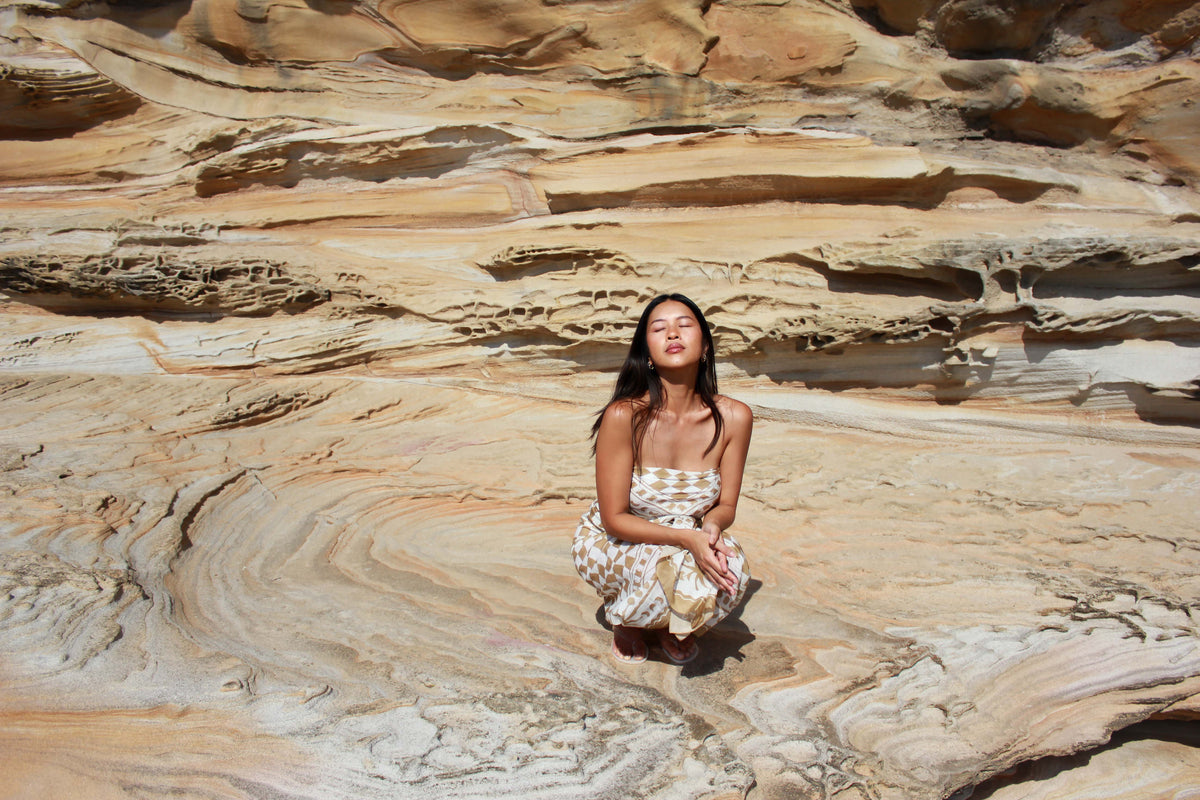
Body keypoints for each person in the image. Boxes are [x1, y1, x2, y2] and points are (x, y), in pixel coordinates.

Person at [573, 293, 752, 664]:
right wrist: (687, 540)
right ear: (647, 352)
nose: (673, 333)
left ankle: (672, 620)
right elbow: (614, 518)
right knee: (657, 567)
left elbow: (727, 505)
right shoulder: (625, 416)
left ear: (704, 345)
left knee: (732, 570)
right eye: (659, 328)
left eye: (685, 325)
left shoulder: (735, 417)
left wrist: (711, 530)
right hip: (617, 540)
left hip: (686, 532)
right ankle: (628, 619)